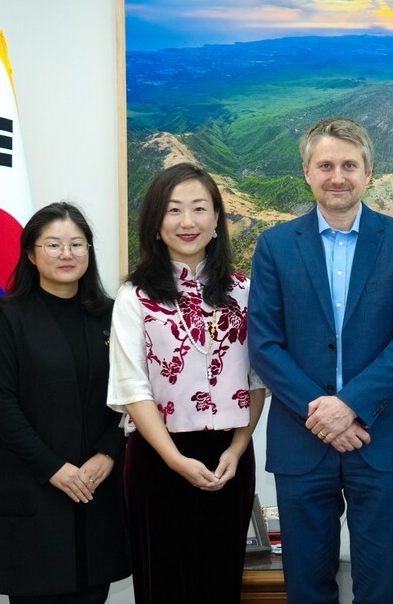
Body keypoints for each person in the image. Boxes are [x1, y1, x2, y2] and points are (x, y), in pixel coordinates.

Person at [249, 118, 393, 604]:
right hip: (301, 439)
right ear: (307, 172)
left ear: (368, 173)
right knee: (306, 588)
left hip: (383, 437)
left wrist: (347, 405)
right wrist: (322, 411)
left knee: (380, 586)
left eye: (349, 165)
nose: (338, 176)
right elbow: (264, 344)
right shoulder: (274, 246)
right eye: (325, 165)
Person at [107, 164, 264, 603]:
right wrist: (175, 459)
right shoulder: (133, 296)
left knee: (220, 583)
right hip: (159, 459)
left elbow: (256, 382)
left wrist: (236, 449)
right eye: (174, 210)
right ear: (156, 224)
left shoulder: (245, 292)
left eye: (200, 208)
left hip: (228, 459)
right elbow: (132, 388)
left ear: (217, 221)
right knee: (165, 586)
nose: (187, 221)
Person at [0, 202, 130, 604]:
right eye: (53, 245)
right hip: (34, 490)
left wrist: (108, 454)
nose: (67, 254)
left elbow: (131, 396)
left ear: (89, 251)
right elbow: (1, 405)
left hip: (96, 490)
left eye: (76, 244)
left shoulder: (112, 316)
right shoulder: (10, 316)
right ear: (31, 254)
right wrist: (54, 468)